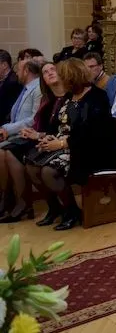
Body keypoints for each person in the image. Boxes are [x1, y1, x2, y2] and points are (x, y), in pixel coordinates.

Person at [25, 59, 116, 230]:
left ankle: (72, 211)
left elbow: (95, 133)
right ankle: (54, 208)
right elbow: (57, 124)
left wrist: (62, 143)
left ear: (73, 77)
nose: (61, 80)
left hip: (90, 150)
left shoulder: (97, 97)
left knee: (49, 171)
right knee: (31, 165)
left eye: (63, 77)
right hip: (66, 144)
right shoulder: (68, 96)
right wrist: (49, 138)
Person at [0, 63, 64, 225]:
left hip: (59, 142)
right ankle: (12, 202)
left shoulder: (66, 97)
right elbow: (40, 122)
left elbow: (60, 127)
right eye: (46, 72)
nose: (50, 73)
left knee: (16, 155)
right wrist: (36, 133)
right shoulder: (48, 98)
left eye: (53, 70)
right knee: (14, 156)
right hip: (41, 137)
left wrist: (38, 135)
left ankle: (23, 204)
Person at [0, 61, 42, 219]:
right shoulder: (26, 89)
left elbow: (33, 119)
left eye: (18, 70)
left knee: (4, 153)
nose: (16, 73)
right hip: (16, 134)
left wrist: (7, 129)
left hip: (28, 135)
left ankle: (20, 202)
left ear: (26, 71)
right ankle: (7, 200)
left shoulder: (38, 88)